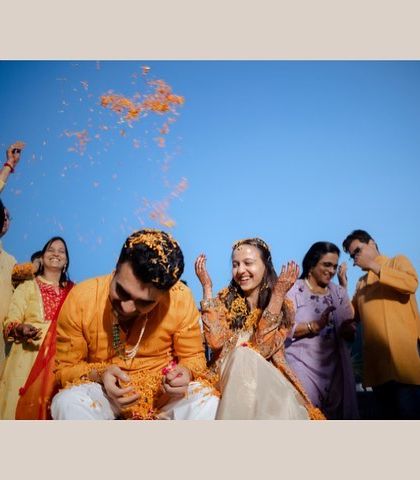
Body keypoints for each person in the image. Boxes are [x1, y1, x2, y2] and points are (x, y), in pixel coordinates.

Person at [50, 229, 219, 420]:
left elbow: (194, 358)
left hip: (162, 396)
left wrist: (186, 372)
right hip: (104, 393)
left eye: (144, 302)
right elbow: (64, 370)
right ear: (117, 266)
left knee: (208, 401)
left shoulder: (179, 298)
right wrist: (99, 374)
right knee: (67, 402)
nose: (128, 307)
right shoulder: (82, 298)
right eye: (122, 291)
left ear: (166, 293)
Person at [195, 237, 324, 420]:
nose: (240, 271)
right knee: (240, 355)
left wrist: (277, 296)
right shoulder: (224, 300)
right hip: (223, 378)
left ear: (266, 265)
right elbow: (215, 342)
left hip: (264, 381)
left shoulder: (284, 305)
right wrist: (207, 288)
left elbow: (261, 349)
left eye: (248, 263)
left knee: (245, 354)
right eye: (235, 264)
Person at [342, 229, 420, 419]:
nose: (355, 259)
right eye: (352, 256)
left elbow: (411, 284)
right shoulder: (361, 283)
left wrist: (373, 266)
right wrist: (343, 286)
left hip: (405, 368)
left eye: (357, 251)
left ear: (372, 243)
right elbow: (351, 316)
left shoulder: (397, 262)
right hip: (377, 372)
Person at [0, 236, 74, 419]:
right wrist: (20, 328)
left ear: (66, 261)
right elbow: (11, 320)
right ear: (42, 257)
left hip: (57, 365)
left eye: (61, 251)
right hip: (25, 360)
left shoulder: (74, 292)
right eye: (51, 249)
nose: (56, 253)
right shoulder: (27, 286)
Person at [285, 241, 359, 419]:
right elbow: (284, 328)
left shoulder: (339, 293)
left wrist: (348, 328)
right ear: (311, 264)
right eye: (326, 265)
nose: (332, 271)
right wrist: (314, 326)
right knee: (306, 414)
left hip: (335, 369)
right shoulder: (293, 290)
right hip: (301, 366)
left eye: (334, 266)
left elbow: (349, 331)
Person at [0, 142, 25, 377]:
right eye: (2, 215)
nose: (5, 220)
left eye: (9, 217)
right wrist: (8, 165)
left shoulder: (11, 261)